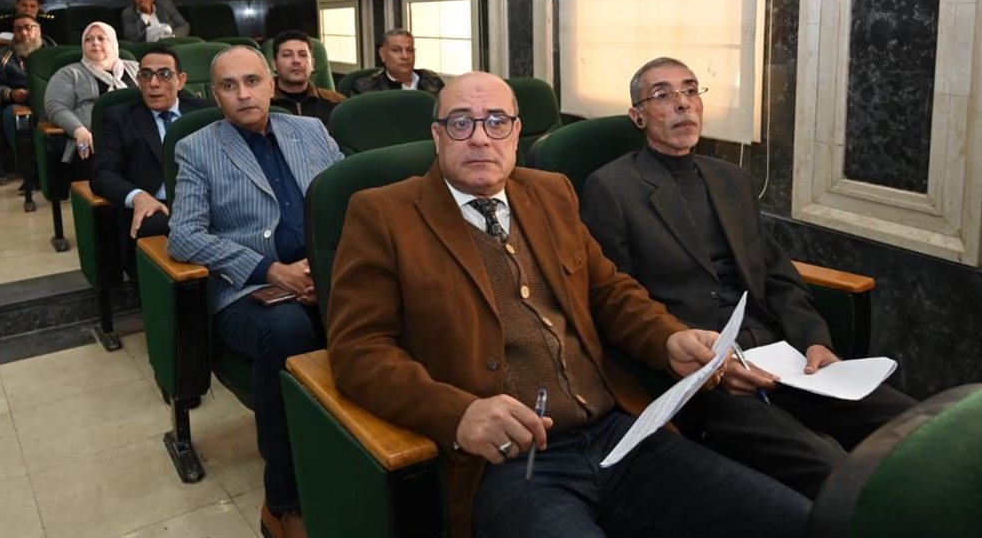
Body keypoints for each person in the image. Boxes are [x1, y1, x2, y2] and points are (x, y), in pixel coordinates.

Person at [327, 72, 810, 538]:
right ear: (437, 136)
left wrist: (669, 338)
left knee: (799, 521)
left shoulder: (550, 192)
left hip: (618, 434)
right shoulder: (382, 213)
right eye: (460, 122)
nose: (479, 137)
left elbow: (608, 292)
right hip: (512, 464)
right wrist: (457, 414)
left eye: (496, 121)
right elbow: (358, 349)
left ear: (516, 132)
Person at [581, 57, 916, 498]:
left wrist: (815, 341)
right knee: (831, 467)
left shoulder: (732, 180)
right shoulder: (611, 189)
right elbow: (616, 305)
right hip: (704, 378)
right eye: (663, 95)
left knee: (918, 425)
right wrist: (711, 368)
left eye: (690, 90)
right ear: (638, 116)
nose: (683, 104)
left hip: (785, 360)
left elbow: (777, 276)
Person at [168, 45, 343, 538]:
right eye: (229, 86)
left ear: (270, 84)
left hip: (325, 276)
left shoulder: (311, 130)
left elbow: (347, 202)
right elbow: (184, 236)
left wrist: (327, 271)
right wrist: (271, 270)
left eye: (252, 81)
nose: (243, 94)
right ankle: (282, 501)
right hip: (250, 292)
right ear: (215, 95)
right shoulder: (197, 148)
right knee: (289, 331)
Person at [91, 46, 209, 266]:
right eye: (146, 75)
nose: (154, 83)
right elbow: (103, 173)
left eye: (164, 74)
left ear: (181, 81)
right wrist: (138, 197)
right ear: (138, 81)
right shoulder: (119, 117)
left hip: (205, 201)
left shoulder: (205, 113)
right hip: (156, 206)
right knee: (154, 224)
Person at [44, 22, 138, 182]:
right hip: (95, 140)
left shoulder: (137, 69)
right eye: (89, 39)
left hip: (138, 136)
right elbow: (56, 107)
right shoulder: (69, 73)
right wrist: (79, 131)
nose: (95, 43)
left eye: (101, 38)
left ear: (113, 42)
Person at [0, 12, 44, 153]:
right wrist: (10, 93)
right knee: (15, 115)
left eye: (28, 27)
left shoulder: (53, 51)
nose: (23, 33)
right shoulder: (3, 57)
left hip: (51, 102)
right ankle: (26, 161)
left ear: (39, 30)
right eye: (18, 29)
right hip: (20, 104)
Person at [269, 30, 345, 124]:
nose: (296, 60)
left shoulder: (337, 102)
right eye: (287, 55)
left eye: (303, 55)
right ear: (274, 64)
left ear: (312, 64)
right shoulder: (263, 104)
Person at [351, 28, 444, 95]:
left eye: (410, 50)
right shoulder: (365, 90)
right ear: (382, 54)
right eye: (396, 50)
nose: (405, 56)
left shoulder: (433, 81)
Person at [119, 0, 190, 43]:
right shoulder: (128, 14)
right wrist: (145, 16)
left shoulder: (166, 6)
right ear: (133, 0)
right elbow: (132, 37)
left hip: (172, 42)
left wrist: (173, 37)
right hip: (149, 48)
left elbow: (183, 25)